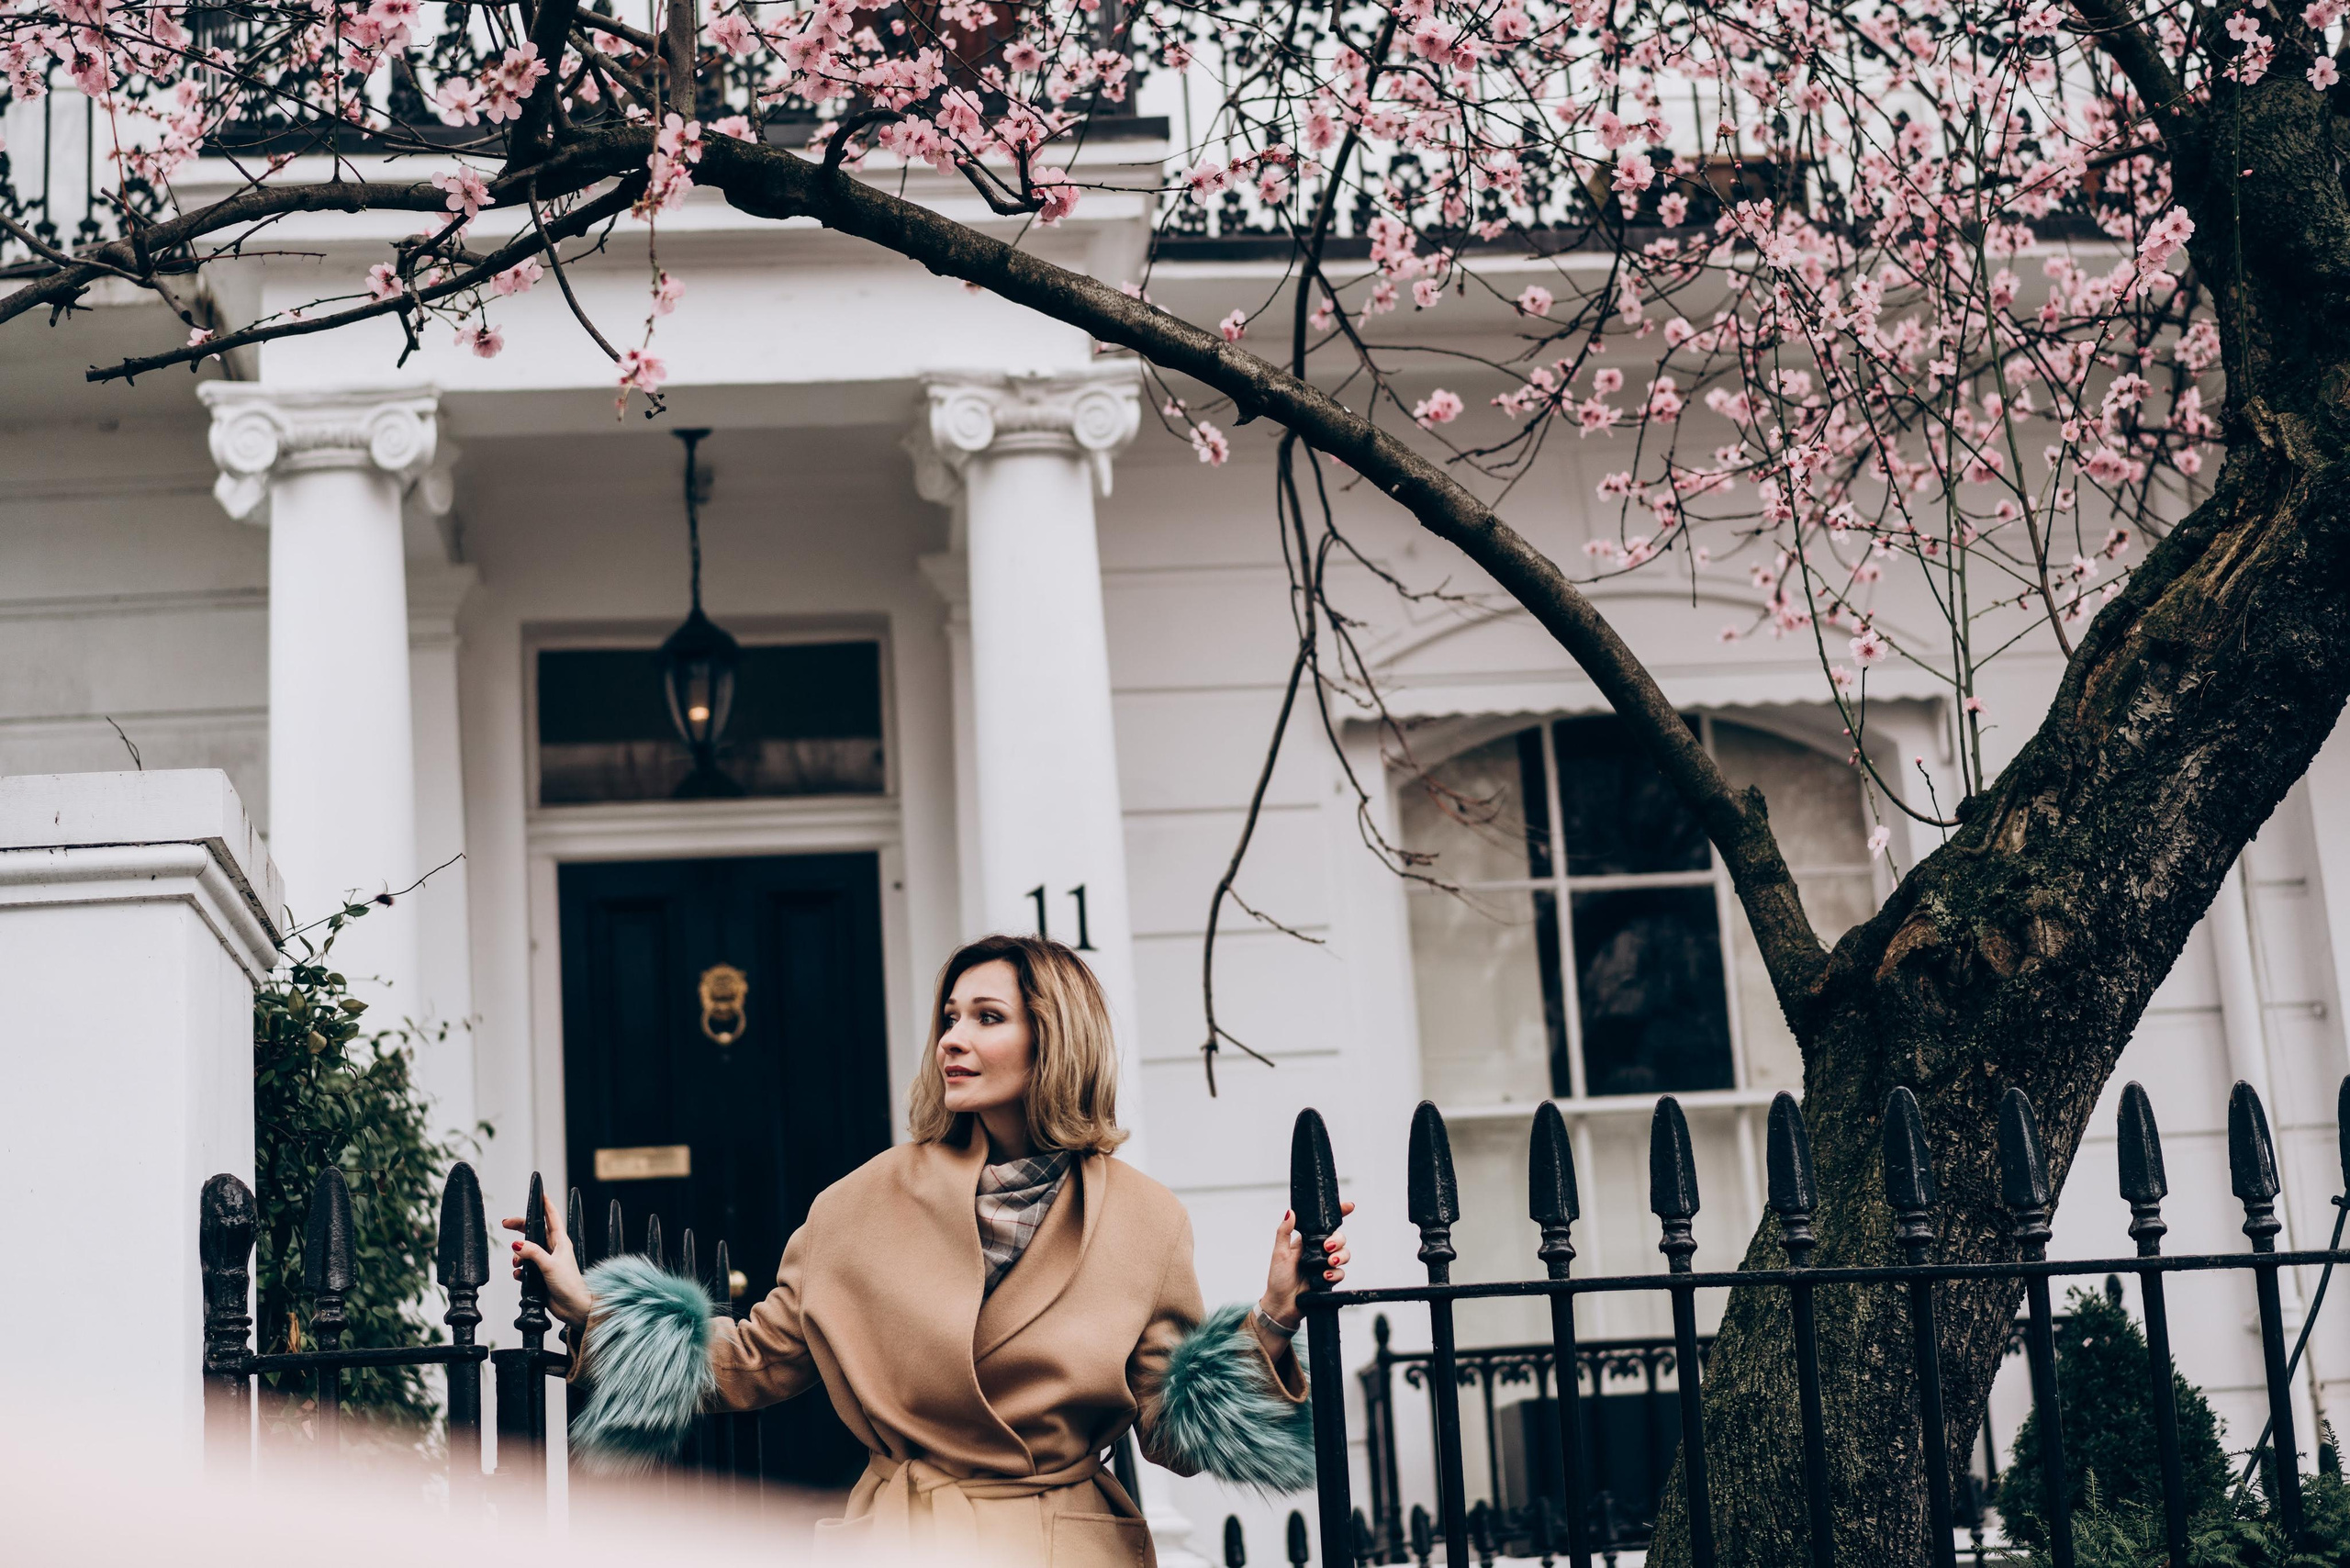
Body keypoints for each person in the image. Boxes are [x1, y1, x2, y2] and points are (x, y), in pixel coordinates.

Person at [508, 933, 1352, 1566]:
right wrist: (591, 1307)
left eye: (987, 1018)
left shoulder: (1145, 1220)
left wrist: (1275, 1316)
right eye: (951, 1017)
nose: (952, 1039)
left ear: (1053, 1040)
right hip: (907, 1540)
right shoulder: (859, 1204)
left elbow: (1172, 1430)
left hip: (1063, 1545)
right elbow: (752, 1362)